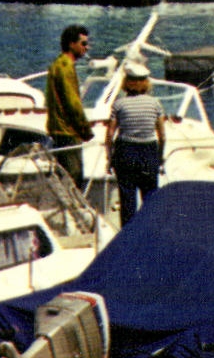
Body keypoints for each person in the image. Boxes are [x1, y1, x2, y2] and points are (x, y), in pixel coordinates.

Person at [106, 61, 165, 226]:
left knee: (127, 199)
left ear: (126, 82)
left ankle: (128, 234)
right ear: (146, 83)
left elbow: (110, 134)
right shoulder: (155, 104)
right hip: (149, 151)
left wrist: (109, 157)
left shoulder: (119, 104)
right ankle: (149, 233)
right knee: (150, 197)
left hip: (126, 151)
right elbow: (162, 135)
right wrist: (160, 157)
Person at [45, 24, 94, 185]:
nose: (87, 47)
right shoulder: (66, 67)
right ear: (71, 44)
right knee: (73, 177)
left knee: (64, 175)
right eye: (83, 43)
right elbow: (73, 104)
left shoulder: (57, 64)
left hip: (57, 129)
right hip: (68, 131)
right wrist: (85, 130)